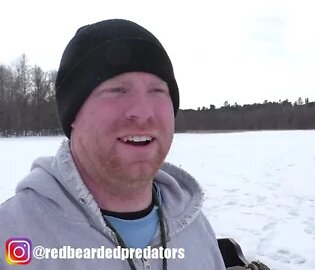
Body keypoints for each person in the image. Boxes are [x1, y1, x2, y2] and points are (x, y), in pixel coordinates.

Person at [0, 19, 226, 269]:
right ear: (73, 114)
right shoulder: (13, 237)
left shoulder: (195, 229)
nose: (143, 112)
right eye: (118, 90)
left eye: (157, 91)